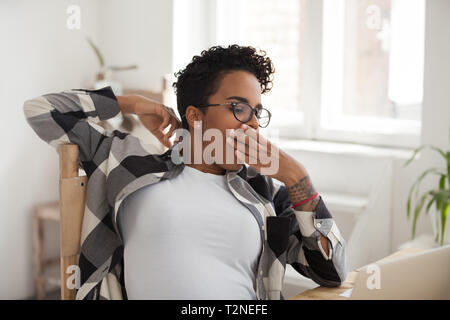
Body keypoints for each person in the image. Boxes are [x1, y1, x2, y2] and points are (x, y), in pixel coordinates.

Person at [23, 44, 347, 300]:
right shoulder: (127, 163)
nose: (251, 123)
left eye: (257, 113)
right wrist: (133, 103)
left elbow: (331, 272)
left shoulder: (265, 192)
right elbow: (41, 111)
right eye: (238, 107)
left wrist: (297, 178)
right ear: (195, 116)